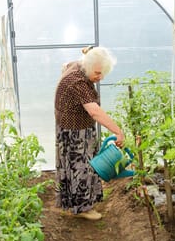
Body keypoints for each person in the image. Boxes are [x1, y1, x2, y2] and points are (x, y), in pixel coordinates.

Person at [54, 46, 125, 220]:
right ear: (88, 66)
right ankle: (83, 208)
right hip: (74, 132)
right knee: (81, 167)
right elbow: (95, 112)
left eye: (103, 74)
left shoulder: (79, 65)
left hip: (74, 126)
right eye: (98, 73)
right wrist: (118, 131)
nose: (100, 78)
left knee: (77, 165)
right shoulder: (78, 81)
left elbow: (65, 65)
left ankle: (74, 202)